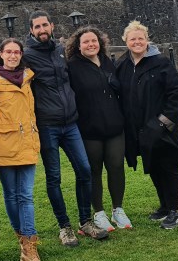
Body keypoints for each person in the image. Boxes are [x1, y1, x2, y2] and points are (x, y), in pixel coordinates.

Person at [23, 11, 109, 246]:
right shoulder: (27, 56)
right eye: (37, 27)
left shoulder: (61, 50)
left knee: (84, 170)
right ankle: (64, 227)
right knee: (54, 178)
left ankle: (85, 221)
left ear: (51, 26)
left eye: (45, 25)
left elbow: (82, 67)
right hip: (47, 124)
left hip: (71, 123)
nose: (42, 30)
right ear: (31, 30)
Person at [114, 20, 178, 230]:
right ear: (126, 41)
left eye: (140, 38)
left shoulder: (161, 63)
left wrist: (162, 123)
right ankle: (165, 206)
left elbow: (176, 95)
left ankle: (177, 210)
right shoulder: (123, 64)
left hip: (162, 126)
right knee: (154, 165)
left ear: (147, 40)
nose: (137, 42)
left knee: (168, 165)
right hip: (140, 128)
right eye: (132, 39)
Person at [66, 26, 133, 231]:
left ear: (100, 42)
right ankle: (99, 212)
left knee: (116, 167)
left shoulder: (107, 62)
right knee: (94, 171)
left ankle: (118, 209)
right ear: (78, 46)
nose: (90, 44)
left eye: (93, 40)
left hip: (114, 126)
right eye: (85, 42)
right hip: (89, 128)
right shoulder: (72, 67)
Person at [0, 38, 42, 261]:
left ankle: (29, 244)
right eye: (9, 52)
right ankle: (23, 238)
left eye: (17, 52)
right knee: (11, 194)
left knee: (25, 195)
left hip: (27, 142)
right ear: (1, 54)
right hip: (4, 144)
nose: (13, 56)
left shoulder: (28, 77)